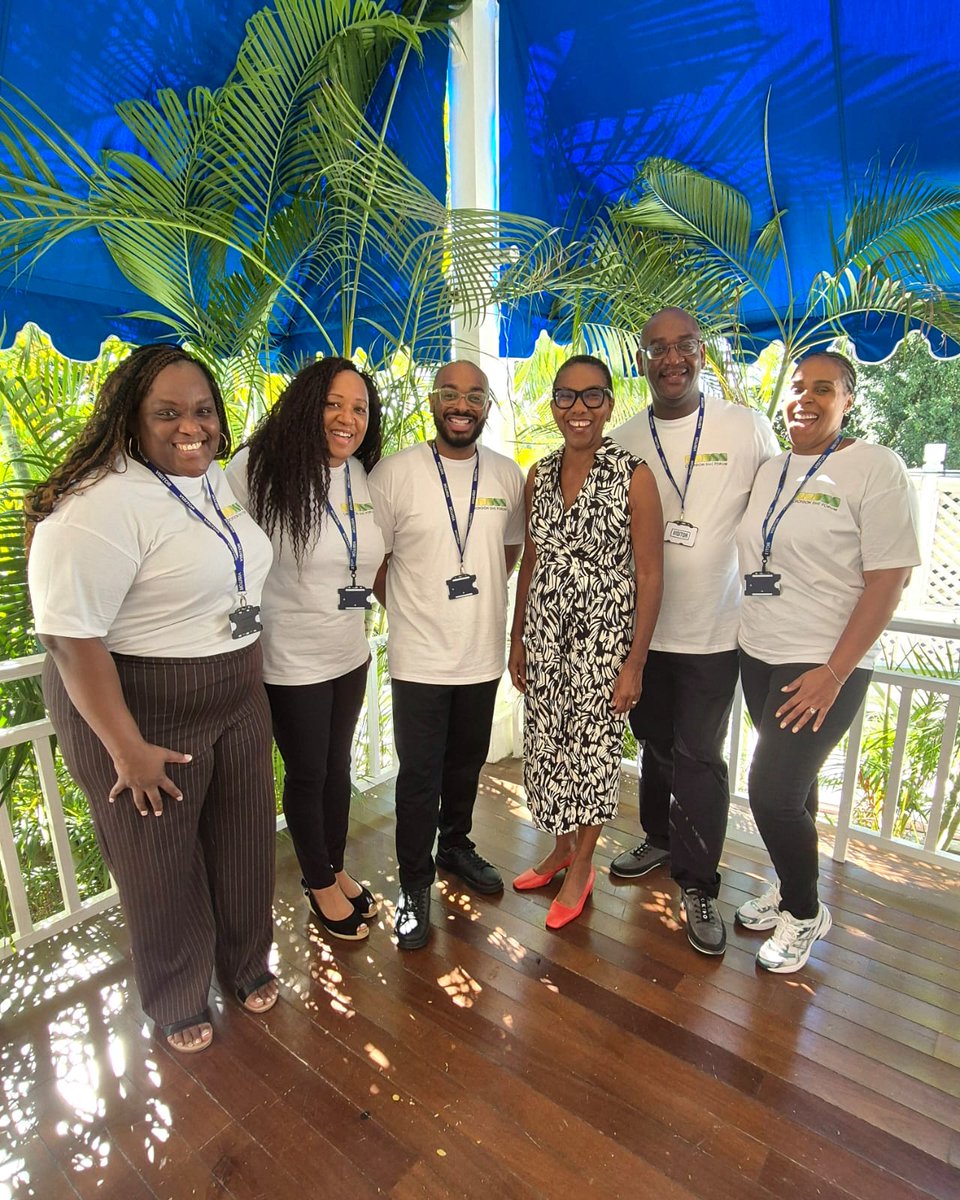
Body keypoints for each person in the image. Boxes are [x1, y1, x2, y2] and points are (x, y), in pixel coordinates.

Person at [25, 345, 278, 1055]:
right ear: (130, 421)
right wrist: (126, 749)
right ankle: (176, 997)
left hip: (234, 691)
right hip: (142, 708)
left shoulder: (210, 481)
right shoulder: (95, 504)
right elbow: (71, 640)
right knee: (160, 863)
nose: (188, 427)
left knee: (246, 843)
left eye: (202, 411)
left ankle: (246, 965)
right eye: (166, 413)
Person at [734, 350, 920, 971]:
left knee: (771, 790)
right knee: (797, 789)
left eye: (823, 389)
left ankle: (807, 913)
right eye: (797, 387)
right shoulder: (771, 469)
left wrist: (835, 672)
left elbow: (888, 579)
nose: (805, 399)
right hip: (757, 651)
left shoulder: (875, 467)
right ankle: (793, 889)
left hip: (821, 662)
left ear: (848, 401)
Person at [609, 307, 779, 956]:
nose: (672, 359)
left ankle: (699, 878)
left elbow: (778, 510)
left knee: (699, 758)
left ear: (702, 354)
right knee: (654, 744)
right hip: (644, 637)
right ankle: (658, 835)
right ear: (642, 358)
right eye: (658, 348)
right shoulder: (623, 439)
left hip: (715, 632)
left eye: (684, 346)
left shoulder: (744, 427)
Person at [226, 358, 384, 942]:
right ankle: (317, 882)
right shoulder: (256, 469)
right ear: (305, 404)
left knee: (336, 769)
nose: (348, 418)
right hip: (290, 659)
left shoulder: (362, 474)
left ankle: (336, 867)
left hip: (350, 651)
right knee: (308, 772)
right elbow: (220, 548)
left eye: (360, 408)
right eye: (334, 404)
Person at [368, 361, 525, 950]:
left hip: (480, 656)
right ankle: (413, 884)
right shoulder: (394, 474)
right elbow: (373, 560)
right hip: (419, 660)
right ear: (434, 402)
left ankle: (455, 845)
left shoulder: (508, 475)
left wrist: (472, 599)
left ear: (487, 406)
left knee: (467, 763)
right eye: (451, 395)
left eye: (475, 397)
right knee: (418, 776)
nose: (463, 406)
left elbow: (509, 553)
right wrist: (408, 610)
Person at [508, 356, 663, 928]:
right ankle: (561, 848)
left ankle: (583, 866)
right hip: (547, 635)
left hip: (603, 641)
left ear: (610, 403)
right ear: (553, 405)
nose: (579, 409)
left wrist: (636, 663)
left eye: (592, 396)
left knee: (592, 755)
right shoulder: (539, 473)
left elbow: (649, 573)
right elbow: (531, 560)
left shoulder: (633, 474)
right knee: (549, 749)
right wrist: (518, 635)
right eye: (567, 397)